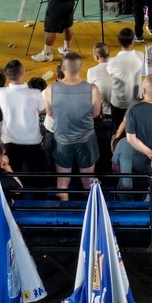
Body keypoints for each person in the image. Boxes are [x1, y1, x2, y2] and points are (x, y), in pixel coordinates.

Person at [46, 54, 102, 197]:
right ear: (81, 67)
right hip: (86, 141)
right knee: (88, 182)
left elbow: (50, 113)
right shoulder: (92, 89)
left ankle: (63, 209)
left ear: (62, 68)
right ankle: (90, 209)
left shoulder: (51, 89)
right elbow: (96, 113)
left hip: (62, 141)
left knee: (62, 183)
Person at [0, 59, 48, 173]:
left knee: (14, 174)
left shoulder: (1, 92)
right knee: (36, 174)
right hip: (31, 141)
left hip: (10, 141)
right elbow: (42, 110)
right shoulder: (35, 94)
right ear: (22, 73)